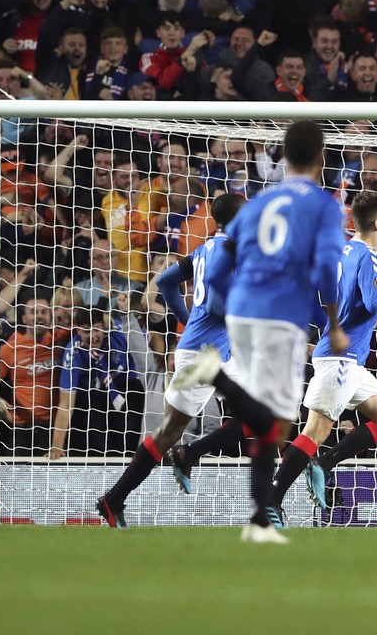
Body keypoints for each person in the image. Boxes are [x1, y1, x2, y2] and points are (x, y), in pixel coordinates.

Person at [170, 120, 347, 545]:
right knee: (280, 422)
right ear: (321, 158)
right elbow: (325, 266)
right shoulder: (322, 205)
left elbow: (220, 262)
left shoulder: (259, 202)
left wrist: (227, 302)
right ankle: (215, 375)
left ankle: (260, 519)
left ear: (283, 156)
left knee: (269, 422)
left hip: (243, 313)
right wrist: (334, 324)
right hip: (279, 316)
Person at [94, 193, 246, 528]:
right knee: (167, 433)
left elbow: (165, 282)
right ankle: (113, 498)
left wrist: (187, 317)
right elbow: (221, 303)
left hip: (218, 353)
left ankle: (191, 453)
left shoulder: (207, 248)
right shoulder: (227, 254)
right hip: (200, 356)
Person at [267, 191, 377, 524]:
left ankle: (324, 463)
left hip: (349, 359)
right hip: (341, 359)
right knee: (314, 433)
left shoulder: (345, 249)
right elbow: (374, 301)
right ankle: (271, 502)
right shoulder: (369, 256)